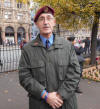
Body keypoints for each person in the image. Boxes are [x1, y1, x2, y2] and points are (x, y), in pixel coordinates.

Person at [19, 6, 81, 109]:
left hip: (66, 103)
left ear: (54, 22)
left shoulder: (67, 46)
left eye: (49, 18)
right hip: (40, 104)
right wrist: (46, 96)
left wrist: (60, 95)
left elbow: (75, 72)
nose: (45, 22)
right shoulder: (28, 49)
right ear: (36, 24)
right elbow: (24, 76)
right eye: (41, 19)